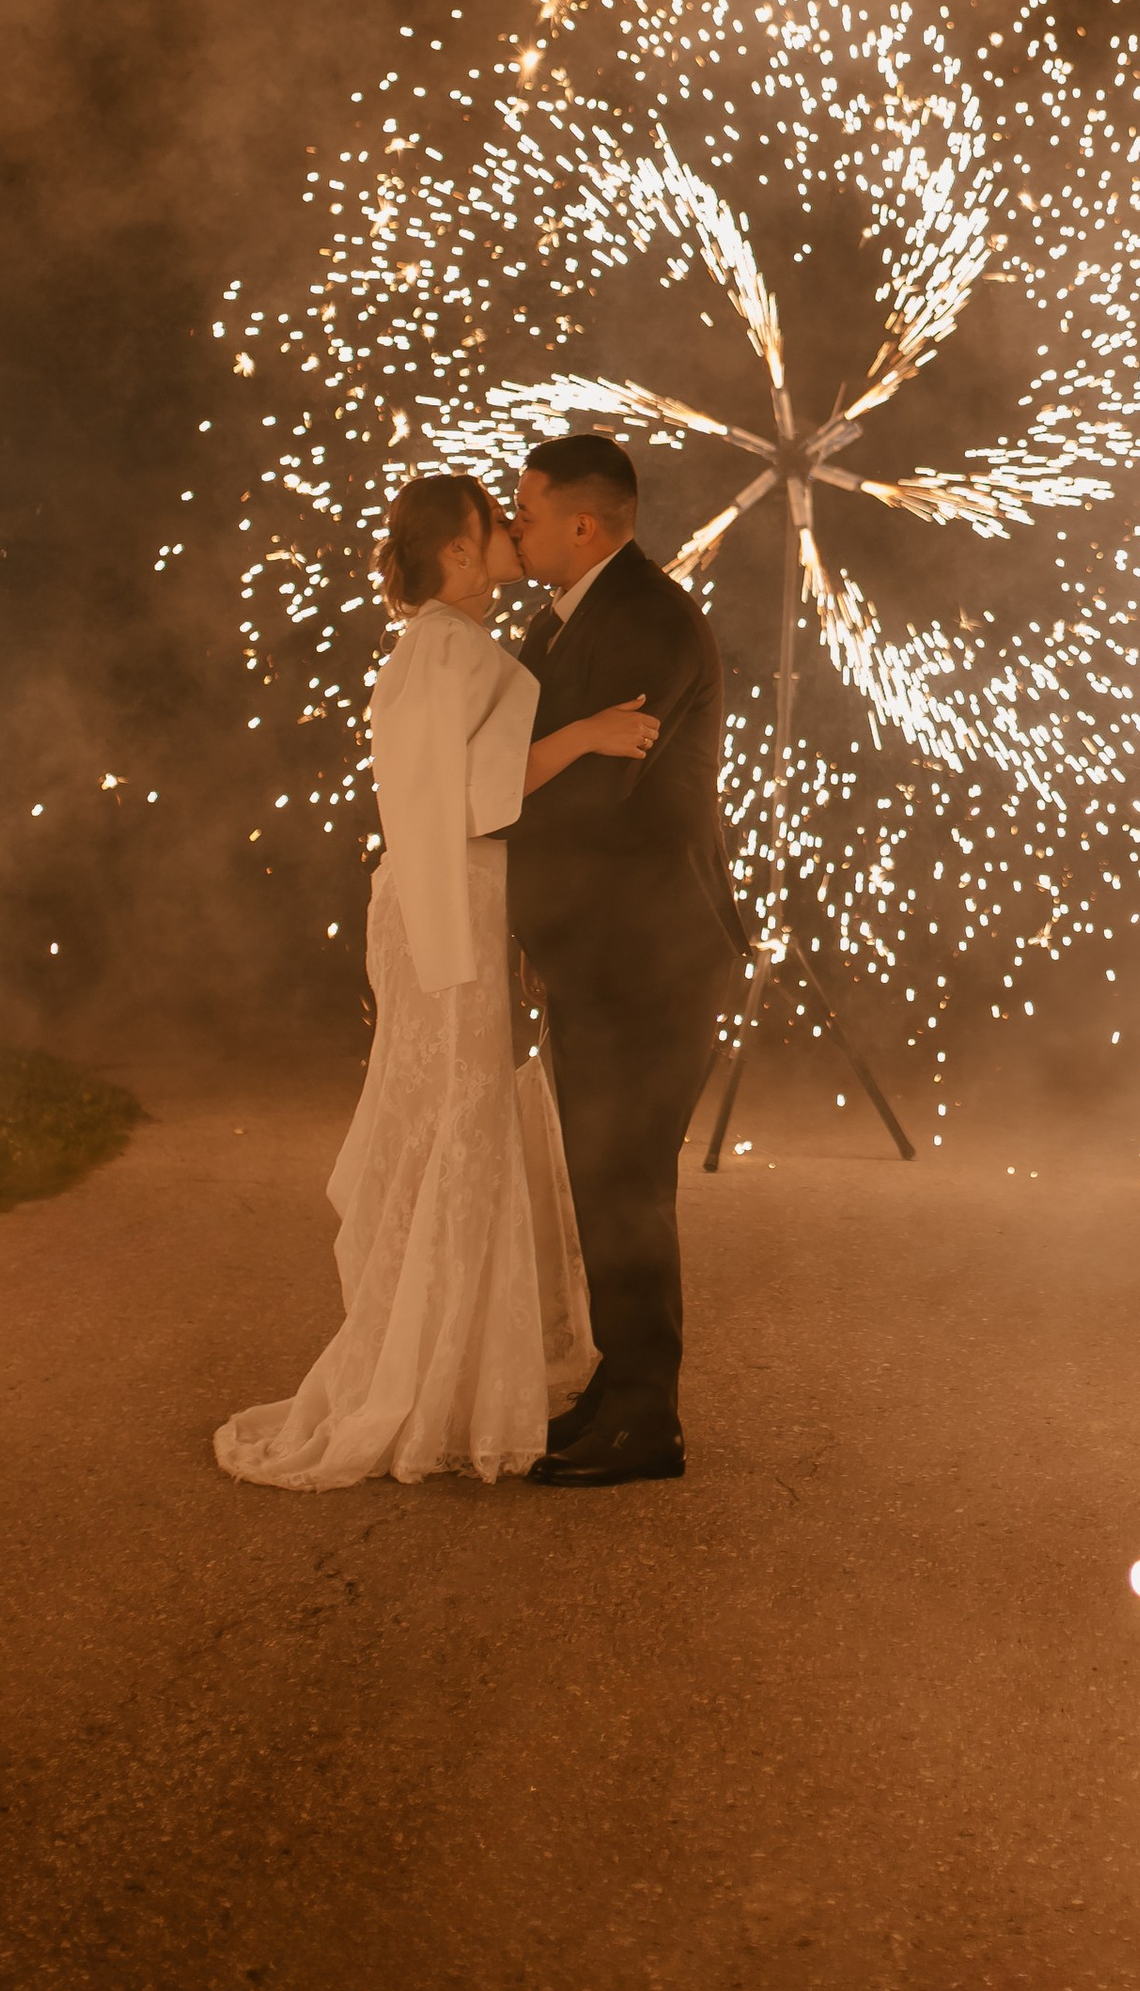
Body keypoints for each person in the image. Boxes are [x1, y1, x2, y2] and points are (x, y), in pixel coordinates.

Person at [215, 470, 662, 1490]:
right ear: (456, 553)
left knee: (475, 1123)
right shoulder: (440, 649)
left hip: (461, 903)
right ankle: (436, 1378)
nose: (512, 532)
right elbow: (463, 795)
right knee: (461, 1127)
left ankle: (466, 1368)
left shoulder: (447, 646)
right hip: (446, 907)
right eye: (490, 525)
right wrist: (586, 735)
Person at [507, 433, 747, 1487]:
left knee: (627, 1179)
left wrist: (489, 785)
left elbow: (591, 795)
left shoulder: (647, 620)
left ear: (583, 523)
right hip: (599, 949)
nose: (513, 531)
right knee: (603, 1176)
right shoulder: (564, 624)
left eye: (525, 512)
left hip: (653, 956)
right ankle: (621, 1378)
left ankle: (650, 1418)